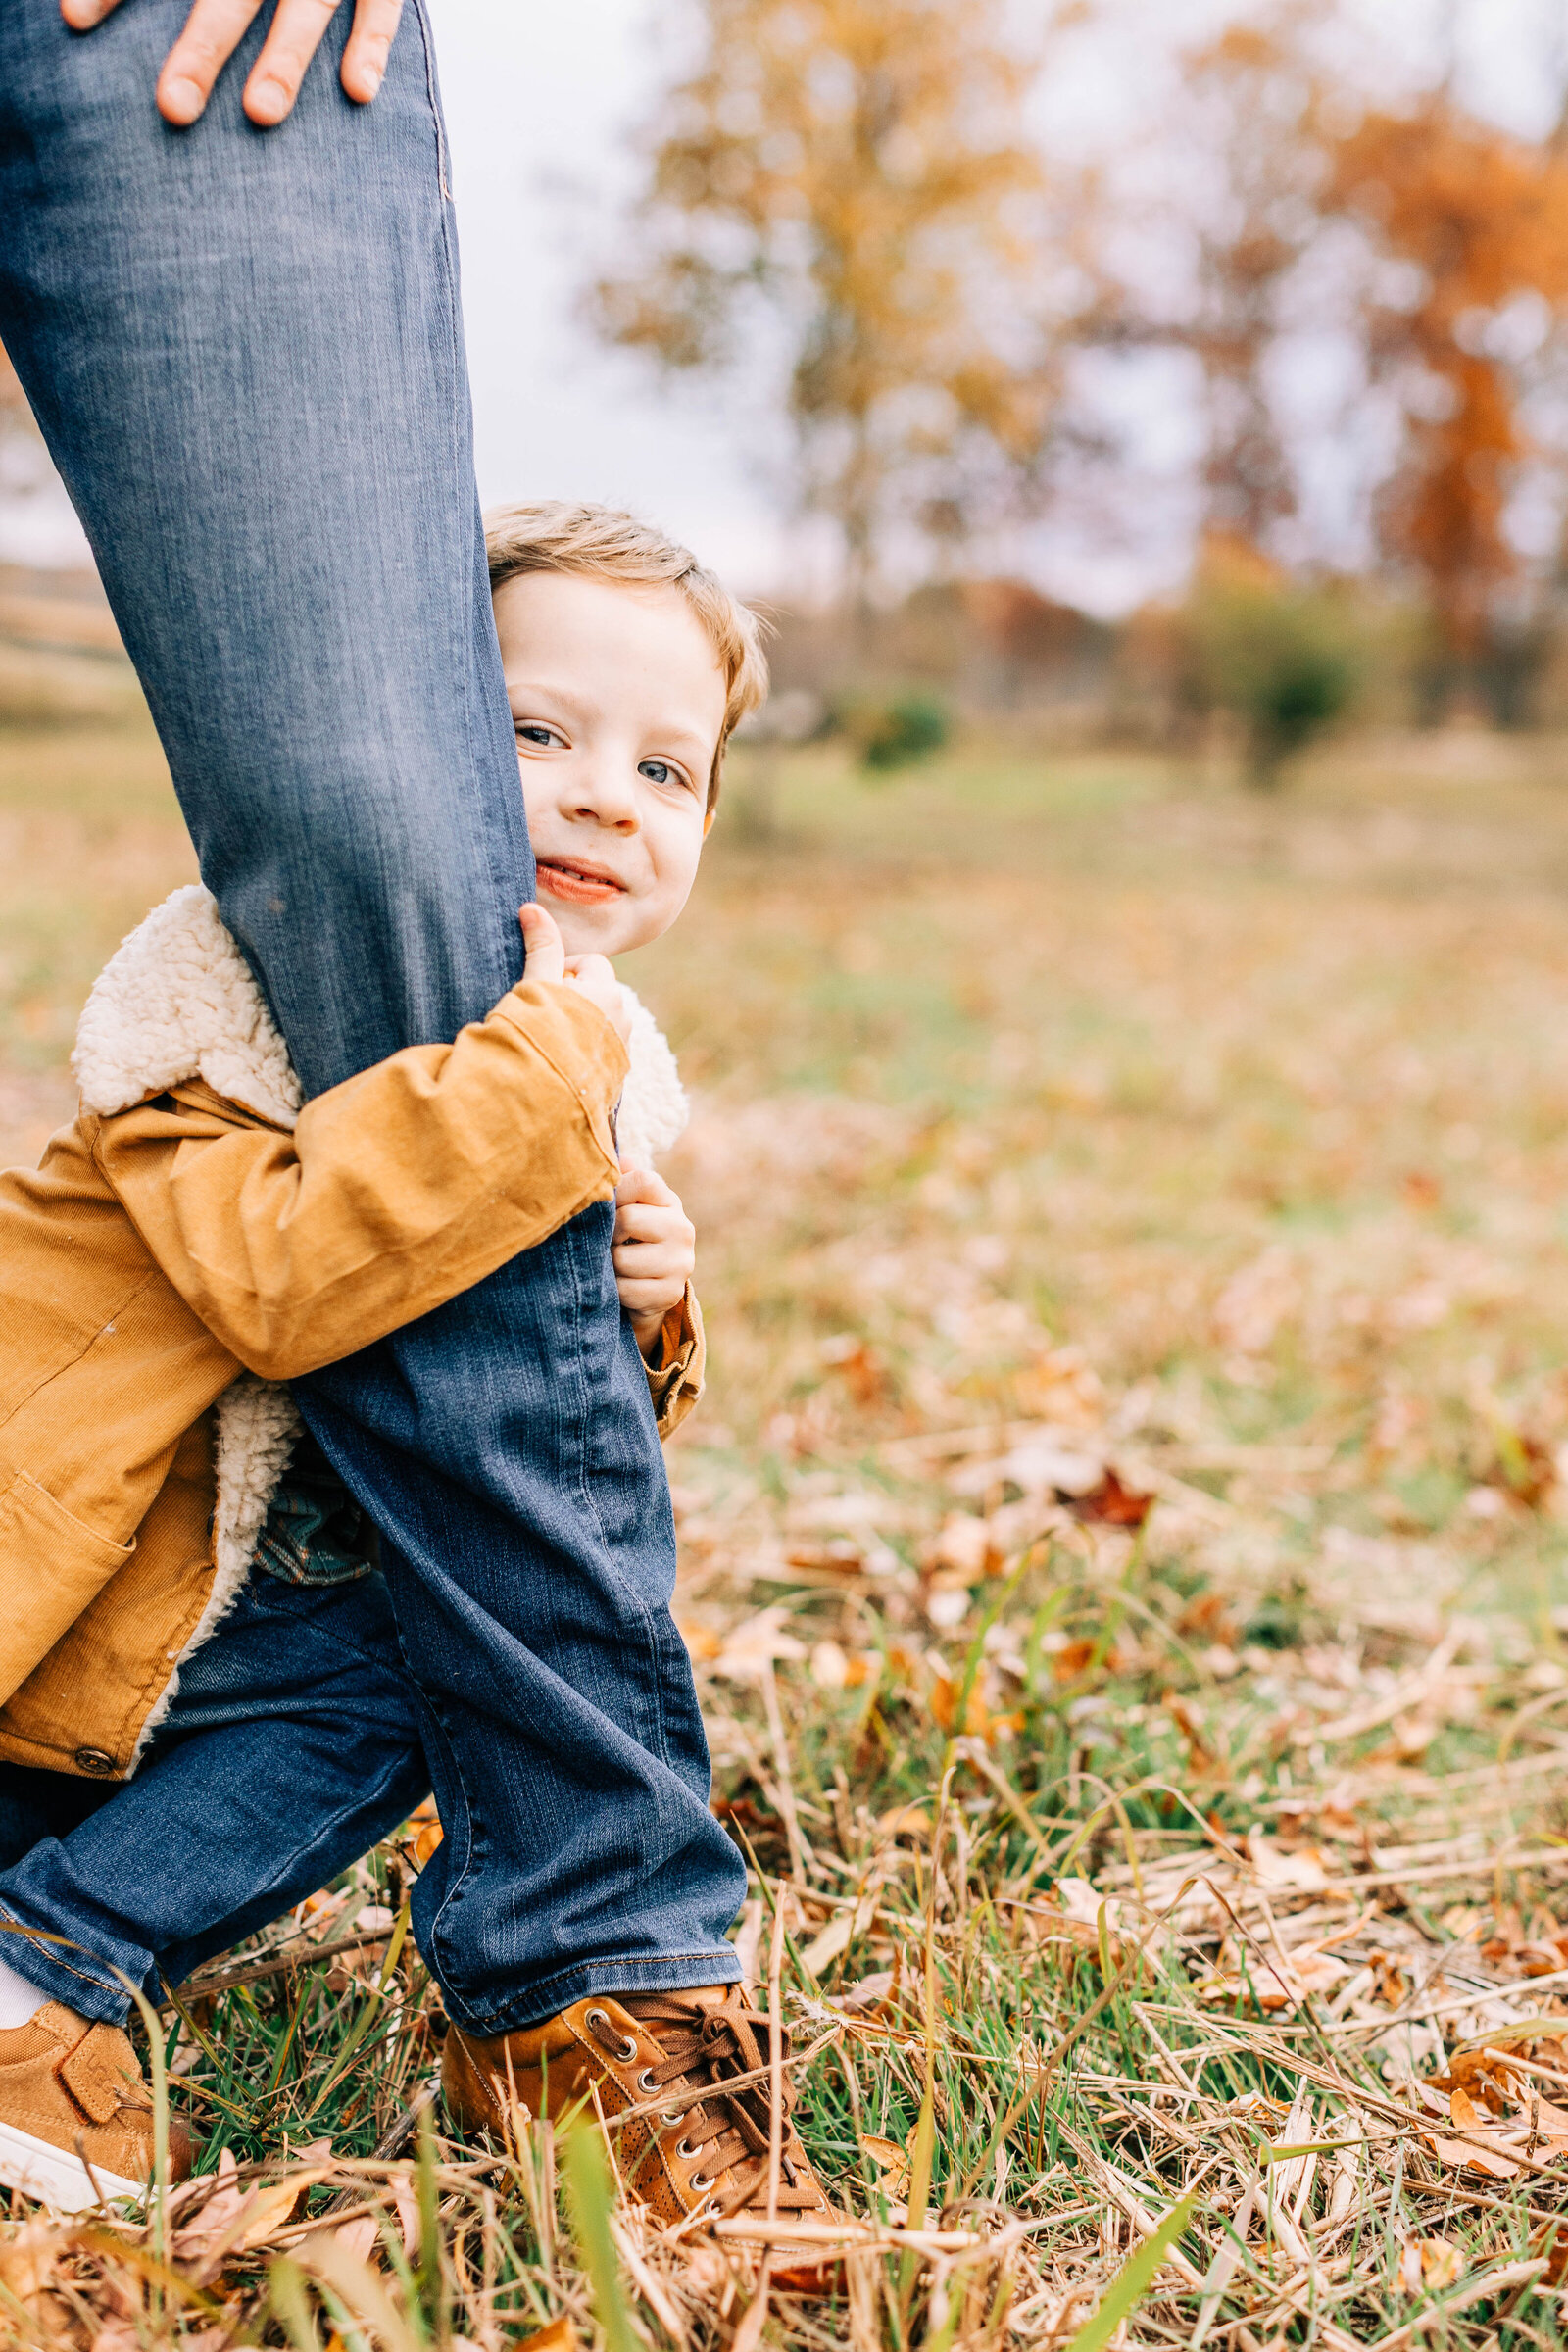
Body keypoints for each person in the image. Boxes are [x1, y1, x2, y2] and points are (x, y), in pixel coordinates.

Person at [0, 506, 841, 2237]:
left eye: (670, 771)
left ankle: (50, 1939)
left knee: (456, 1636)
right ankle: (38, 1975)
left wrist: (648, 1314)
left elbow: (532, 1444)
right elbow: (292, 1281)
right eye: (538, 734)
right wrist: (546, 1079)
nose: (609, 795)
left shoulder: (571, 1048)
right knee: (450, 1629)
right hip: (49, 1616)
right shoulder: (212, 1019)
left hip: (182, 1647)